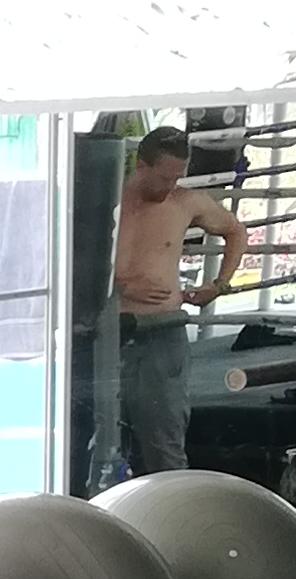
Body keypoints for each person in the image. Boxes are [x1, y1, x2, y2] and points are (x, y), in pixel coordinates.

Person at [95, 127, 243, 485]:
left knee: (165, 445)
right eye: (164, 178)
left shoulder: (185, 202)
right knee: (99, 444)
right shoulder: (104, 201)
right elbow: (68, 259)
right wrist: (118, 285)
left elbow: (236, 232)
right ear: (141, 166)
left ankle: (173, 512)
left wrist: (218, 286)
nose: (170, 186)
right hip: (109, 332)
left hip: (163, 331)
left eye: (177, 177)